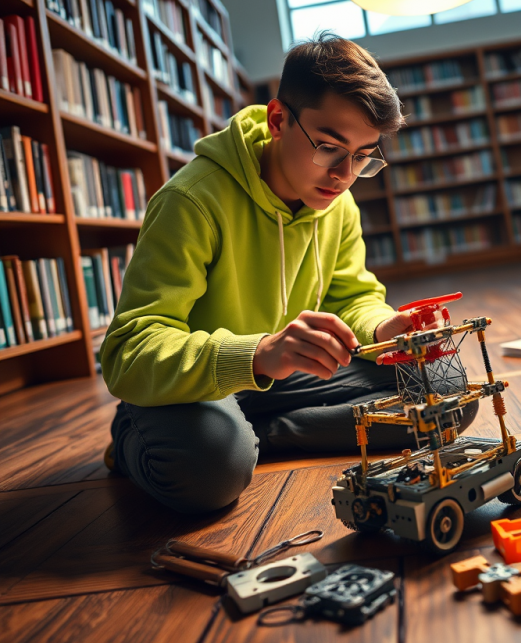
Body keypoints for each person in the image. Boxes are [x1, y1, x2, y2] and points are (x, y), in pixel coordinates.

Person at [100, 33, 476, 514]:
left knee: (448, 393)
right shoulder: (190, 201)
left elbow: (352, 296)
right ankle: (138, 437)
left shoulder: (338, 203)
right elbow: (127, 351)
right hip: (197, 384)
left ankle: (249, 441)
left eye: (364, 156)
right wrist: (257, 353)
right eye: (329, 147)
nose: (343, 175)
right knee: (210, 475)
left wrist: (385, 329)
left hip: (283, 380)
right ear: (278, 119)